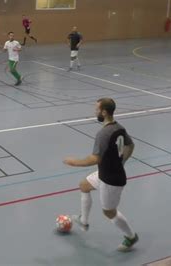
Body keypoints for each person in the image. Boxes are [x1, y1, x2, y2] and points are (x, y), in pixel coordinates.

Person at [63, 98, 138, 252]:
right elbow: (131, 145)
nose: (95, 111)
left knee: (109, 212)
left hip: (111, 180)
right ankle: (83, 221)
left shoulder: (103, 133)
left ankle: (131, 237)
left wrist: (74, 162)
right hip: (105, 172)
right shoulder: (119, 128)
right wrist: (122, 161)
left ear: (104, 112)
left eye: (97, 109)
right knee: (84, 185)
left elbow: (95, 158)